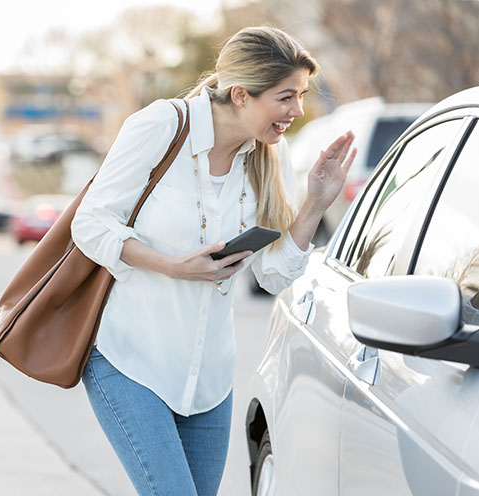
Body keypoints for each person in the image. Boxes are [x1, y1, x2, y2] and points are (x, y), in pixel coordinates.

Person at [70, 26, 356, 495]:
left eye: (302, 95)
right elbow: (91, 225)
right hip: (130, 360)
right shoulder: (161, 126)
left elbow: (272, 273)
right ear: (241, 94)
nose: (297, 111)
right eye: (286, 97)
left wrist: (316, 204)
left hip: (209, 380)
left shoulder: (268, 155)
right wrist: (173, 266)